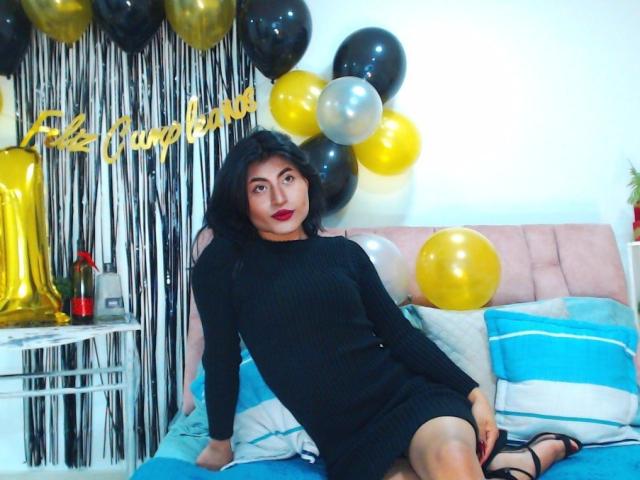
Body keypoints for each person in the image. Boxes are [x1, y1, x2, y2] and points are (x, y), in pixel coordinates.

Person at [191, 129, 581, 480]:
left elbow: (400, 336)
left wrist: (474, 394)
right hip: (349, 440)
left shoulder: (344, 254)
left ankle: (513, 461)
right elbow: (222, 358)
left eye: (287, 179)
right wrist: (220, 442)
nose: (279, 198)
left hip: (411, 400)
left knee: (450, 461)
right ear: (240, 200)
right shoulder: (223, 267)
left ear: (306, 181)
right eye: (259, 188)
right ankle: (522, 462)